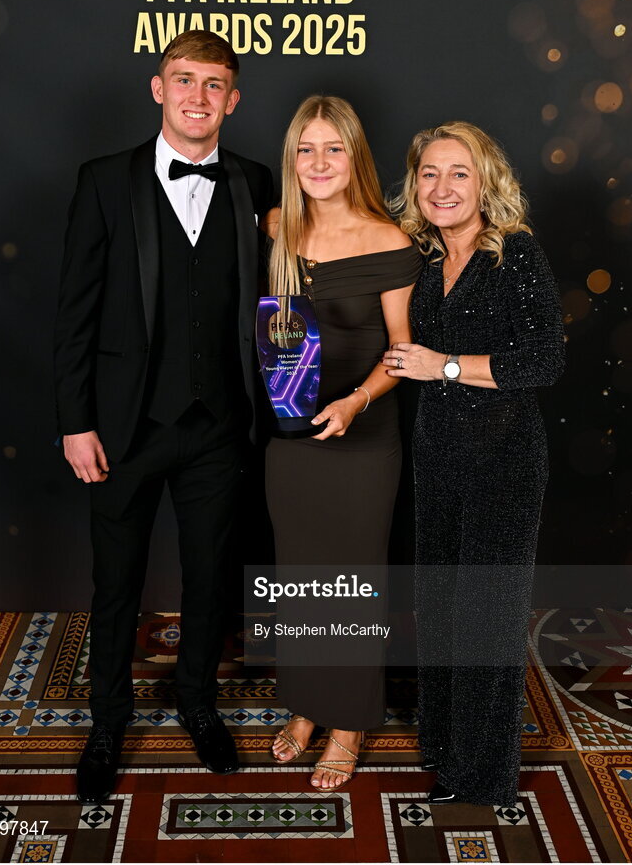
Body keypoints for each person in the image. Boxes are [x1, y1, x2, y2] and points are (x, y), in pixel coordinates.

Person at [54, 30, 274, 803]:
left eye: (214, 84)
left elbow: (277, 302)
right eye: (184, 80)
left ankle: (198, 703)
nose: (197, 97)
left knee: (211, 578)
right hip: (122, 428)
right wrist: (75, 421)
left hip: (219, 425)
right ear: (158, 88)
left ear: (232, 99)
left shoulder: (256, 182)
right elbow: (74, 314)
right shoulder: (104, 181)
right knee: (116, 584)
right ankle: (108, 722)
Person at [383, 121, 564, 806]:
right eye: (429, 173)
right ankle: (444, 748)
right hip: (437, 454)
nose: (442, 187)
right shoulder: (424, 258)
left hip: (503, 460)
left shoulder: (515, 253)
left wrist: (447, 366)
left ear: (486, 181)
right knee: (439, 608)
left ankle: (483, 777)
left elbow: (544, 361)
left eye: (458, 172)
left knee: (486, 618)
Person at [262, 95, 421, 789]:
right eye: (306, 149)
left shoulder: (389, 241)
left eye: (334, 148)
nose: (319, 162)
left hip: (363, 438)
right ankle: (306, 706)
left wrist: (357, 401)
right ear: (291, 158)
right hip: (291, 436)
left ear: (355, 157)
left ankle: (349, 723)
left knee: (352, 582)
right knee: (301, 578)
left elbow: (402, 351)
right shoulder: (276, 228)